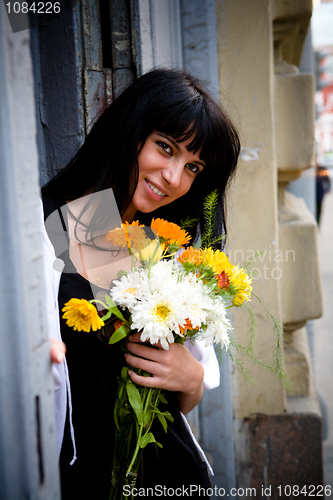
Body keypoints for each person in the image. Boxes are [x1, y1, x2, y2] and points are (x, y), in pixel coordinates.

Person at [42, 68, 240, 499]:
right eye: (164, 147)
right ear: (130, 130)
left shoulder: (164, 248)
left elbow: (173, 400)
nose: (173, 177)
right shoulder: (57, 221)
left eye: (192, 166)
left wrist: (189, 379)